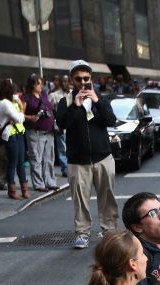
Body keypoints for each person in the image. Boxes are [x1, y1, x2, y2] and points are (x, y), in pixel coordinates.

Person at [56, 59, 118, 250]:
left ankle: (109, 232)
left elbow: (111, 120)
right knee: (80, 200)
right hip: (78, 160)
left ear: (91, 79)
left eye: (86, 78)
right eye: (78, 79)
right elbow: (62, 124)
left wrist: (97, 101)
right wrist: (75, 105)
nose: (83, 83)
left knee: (107, 197)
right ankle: (82, 233)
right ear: (71, 81)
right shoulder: (65, 101)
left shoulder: (101, 98)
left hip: (103, 157)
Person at [22, 73, 58, 192]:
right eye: (38, 83)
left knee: (49, 158)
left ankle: (50, 181)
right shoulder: (26, 97)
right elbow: (21, 114)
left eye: (41, 83)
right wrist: (32, 117)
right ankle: (39, 183)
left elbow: (50, 107)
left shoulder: (43, 94)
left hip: (49, 131)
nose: (41, 85)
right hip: (35, 131)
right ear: (32, 84)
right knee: (36, 159)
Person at [0, 78, 28, 200]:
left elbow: (18, 118)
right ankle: (12, 190)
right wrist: (22, 109)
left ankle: (24, 189)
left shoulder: (10, 102)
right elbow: (19, 118)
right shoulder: (4, 103)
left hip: (18, 133)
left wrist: (19, 109)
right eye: (13, 89)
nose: (16, 91)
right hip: (11, 135)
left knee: (21, 163)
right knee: (12, 163)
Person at [49, 74, 69, 177]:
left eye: (67, 81)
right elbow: (50, 111)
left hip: (72, 126)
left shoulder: (73, 94)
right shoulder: (54, 95)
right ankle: (65, 168)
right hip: (61, 125)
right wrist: (55, 124)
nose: (65, 83)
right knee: (62, 148)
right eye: (63, 81)